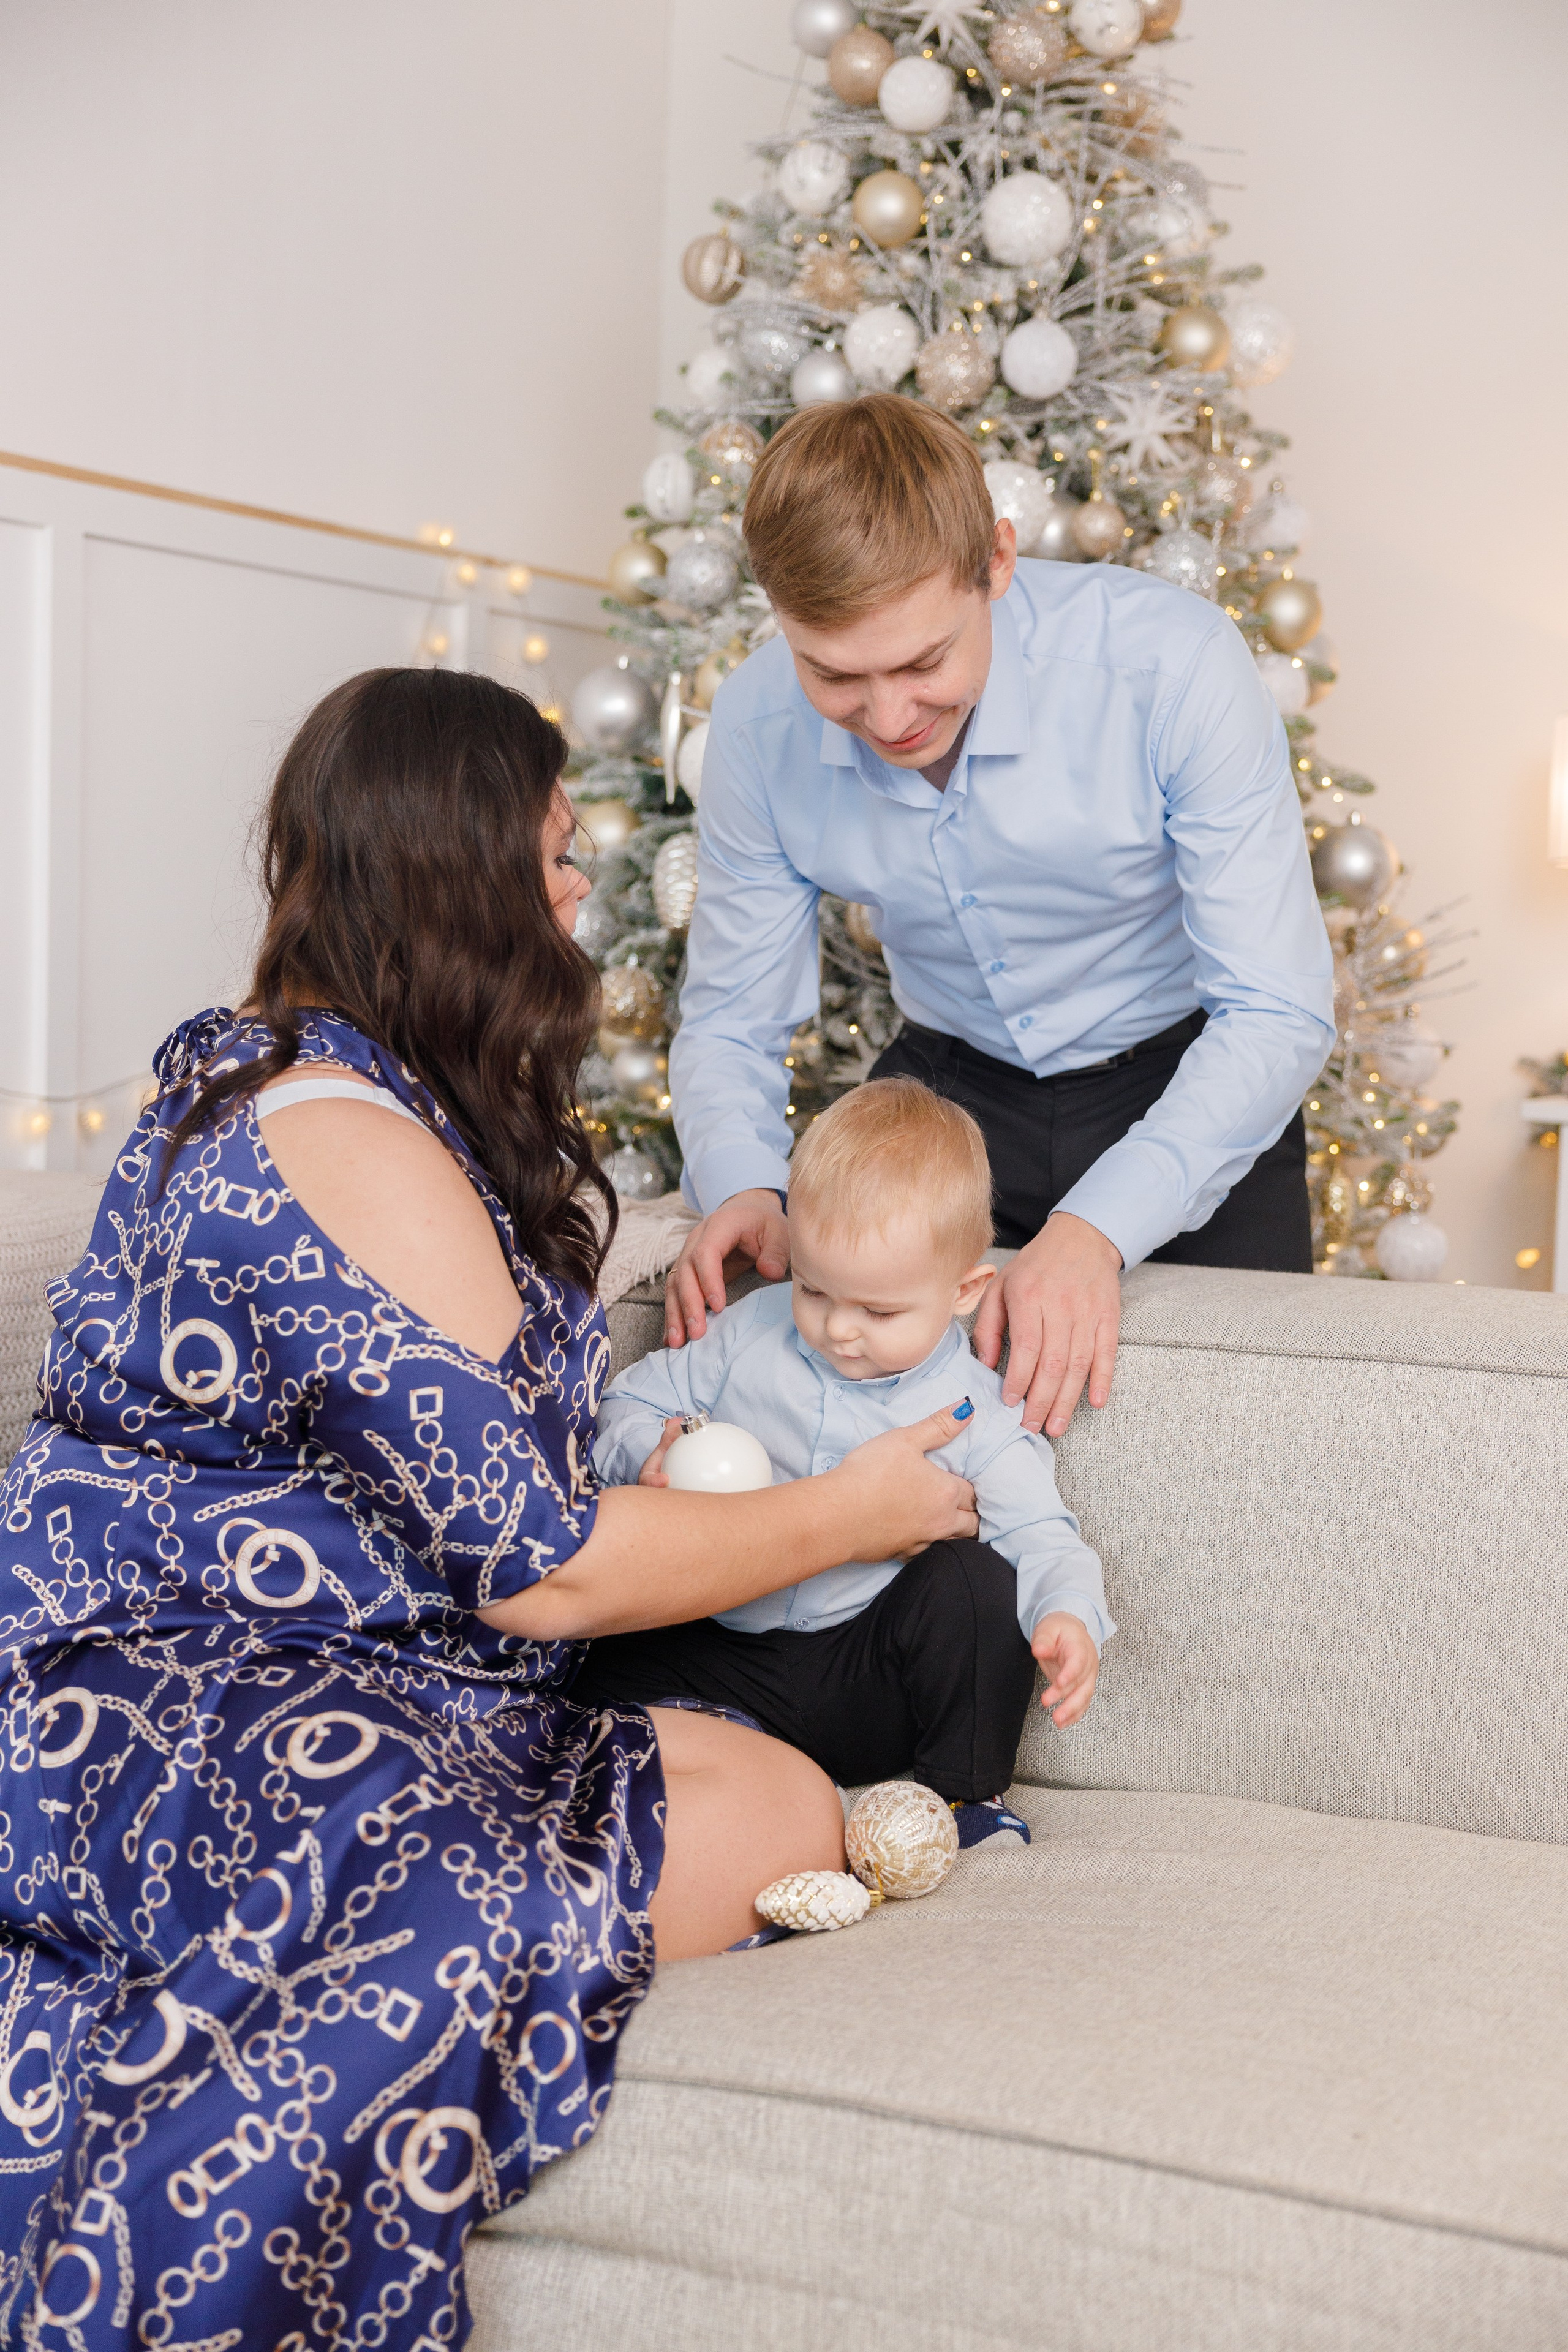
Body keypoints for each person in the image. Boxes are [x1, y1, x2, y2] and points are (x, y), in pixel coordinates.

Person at [0, 669, 979, 2350]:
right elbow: (536, 1572)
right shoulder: (350, 1141)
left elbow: (426, 1498)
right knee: (759, 1816)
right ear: (457, 882)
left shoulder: (274, 1073)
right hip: (181, 1707)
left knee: (785, 1798)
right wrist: (854, 1507)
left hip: (246, 1677)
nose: (583, 894)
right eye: (554, 858)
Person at [664, 393, 1335, 1441]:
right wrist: (744, 1184)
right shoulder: (755, 724)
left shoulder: (1172, 665)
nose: (889, 719)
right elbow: (730, 1023)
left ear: (999, 564)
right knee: (845, 1434)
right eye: (835, 674)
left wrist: (1097, 1231)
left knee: (1247, 1449)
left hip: (1186, 1078)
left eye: (924, 662)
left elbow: (1278, 1009)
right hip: (945, 1096)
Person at [576, 1079, 1112, 1849]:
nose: (840, 1330)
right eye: (815, 1289)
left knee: (973, 1584)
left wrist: (1067, 1616)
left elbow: (1044, 1537)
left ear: (965, 1291)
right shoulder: (750, 1333)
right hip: (718, 1646)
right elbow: (626, 1406)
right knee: (601, 1617)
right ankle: (684, 1745)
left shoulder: (974, 1410)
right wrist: (650, 1453)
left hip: (857, 1677)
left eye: (880, 1311)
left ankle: (965, 1798)